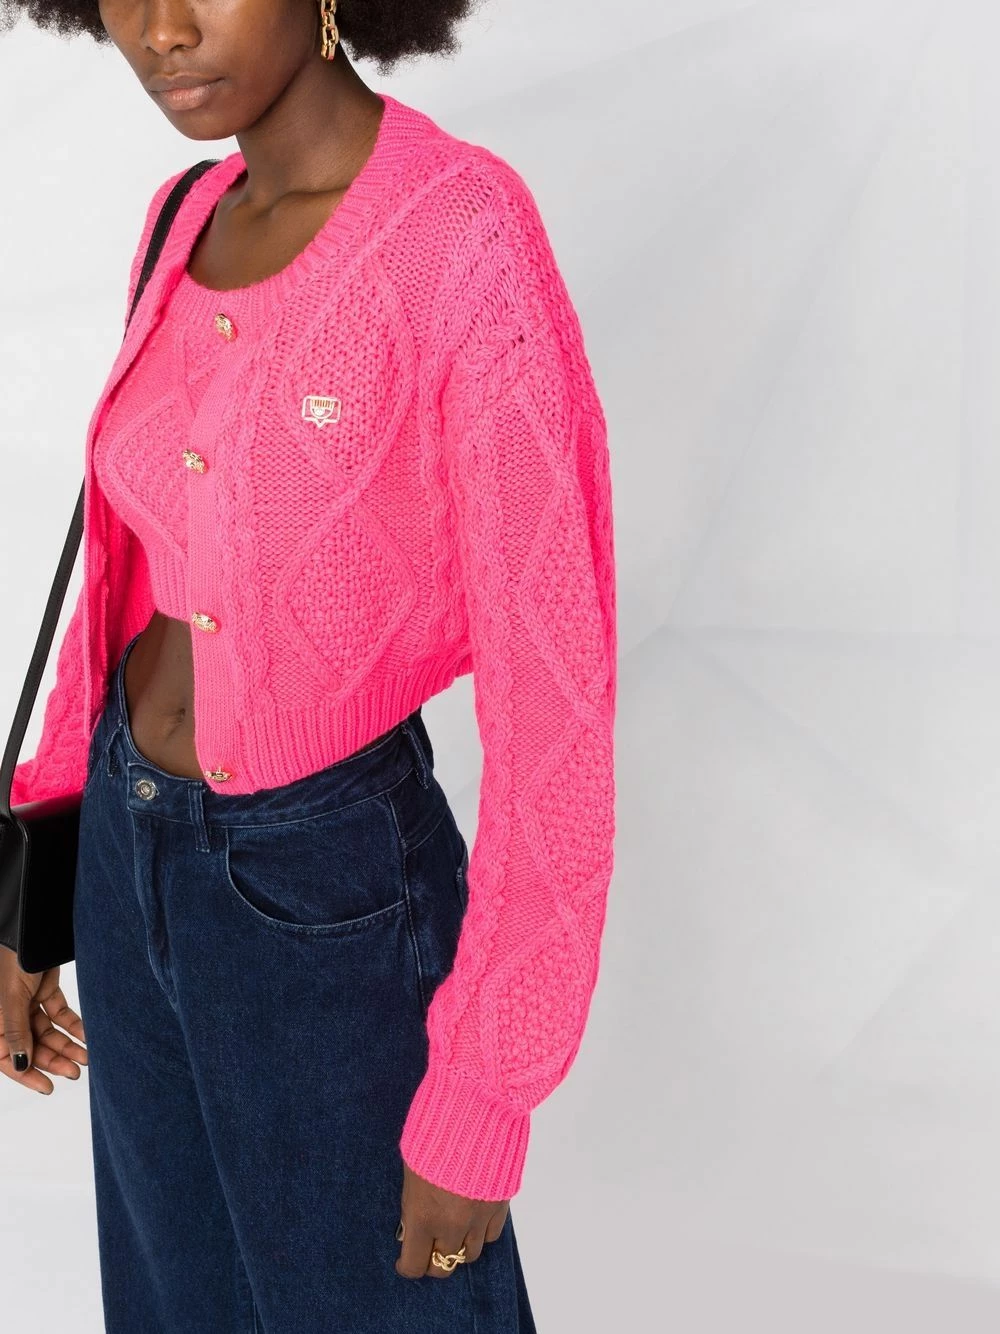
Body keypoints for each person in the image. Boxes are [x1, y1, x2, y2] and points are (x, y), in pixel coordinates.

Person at [0, 0, 617, 1329]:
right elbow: (121, 579)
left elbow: (555, 696)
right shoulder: (180, 219)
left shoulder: (459, 234)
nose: (162, 30)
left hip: (326, 896)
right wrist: (35, 876)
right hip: (125, 860)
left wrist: (488, 1089)